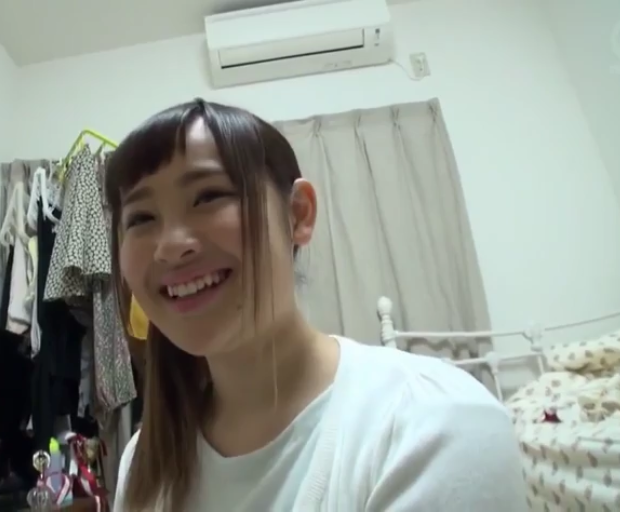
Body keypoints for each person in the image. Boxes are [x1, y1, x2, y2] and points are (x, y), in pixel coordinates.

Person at [104, 99, 525, 511]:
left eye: (209, 196)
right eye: (141, 218)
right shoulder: (143, 463)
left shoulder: (432, 423)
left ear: (298, 214)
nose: (170, 246)